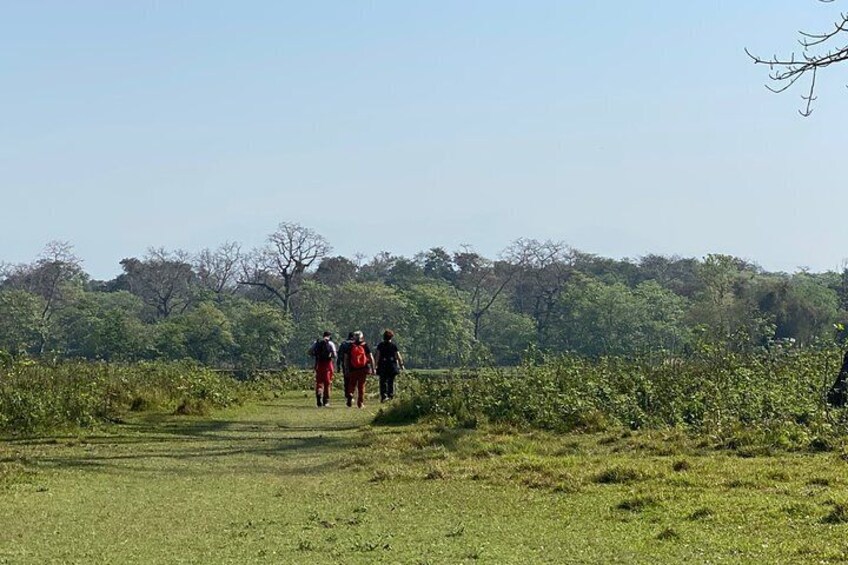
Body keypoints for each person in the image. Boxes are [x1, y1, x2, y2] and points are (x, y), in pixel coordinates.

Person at [343, 330, 374, 408]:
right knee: (361, 386)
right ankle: (360, 403)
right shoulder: (365, 345)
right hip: (363, 368)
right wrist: (373, 368)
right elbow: (370, 357)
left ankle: (350, 393)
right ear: (362, 337)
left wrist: (346, 368)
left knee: (352, 384)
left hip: (352, 368)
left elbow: (346, 358)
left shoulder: (350, 346)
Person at [375, 329, 404, 402]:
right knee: (391, 382)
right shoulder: (393, 346)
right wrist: (401, 365)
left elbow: (377, 356)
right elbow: (398, 356)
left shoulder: (380, 345)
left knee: (382, 382)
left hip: (383, 366)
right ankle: (390, 396)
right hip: (392, 366)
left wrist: (375, 365)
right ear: (391, 337)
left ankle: (383, 396)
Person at [309, 331, 337, 407]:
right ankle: (326, 401)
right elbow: (334, 355)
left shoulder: (317, 343)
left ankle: (319, 393)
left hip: (319, 364)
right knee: (327, 383)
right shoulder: (330, 343)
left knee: (319, 382)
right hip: (328, 365)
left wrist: (316, 355)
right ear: (329, 336)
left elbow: (310, 352)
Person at [337, 332, 354, 407]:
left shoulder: (343, 344)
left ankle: (347, 394)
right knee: (353, 380)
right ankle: (351, 393)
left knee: (346, 379)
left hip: (345, 364)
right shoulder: (355, 344)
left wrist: (338, 365)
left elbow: (339, 355)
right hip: (354, 364)